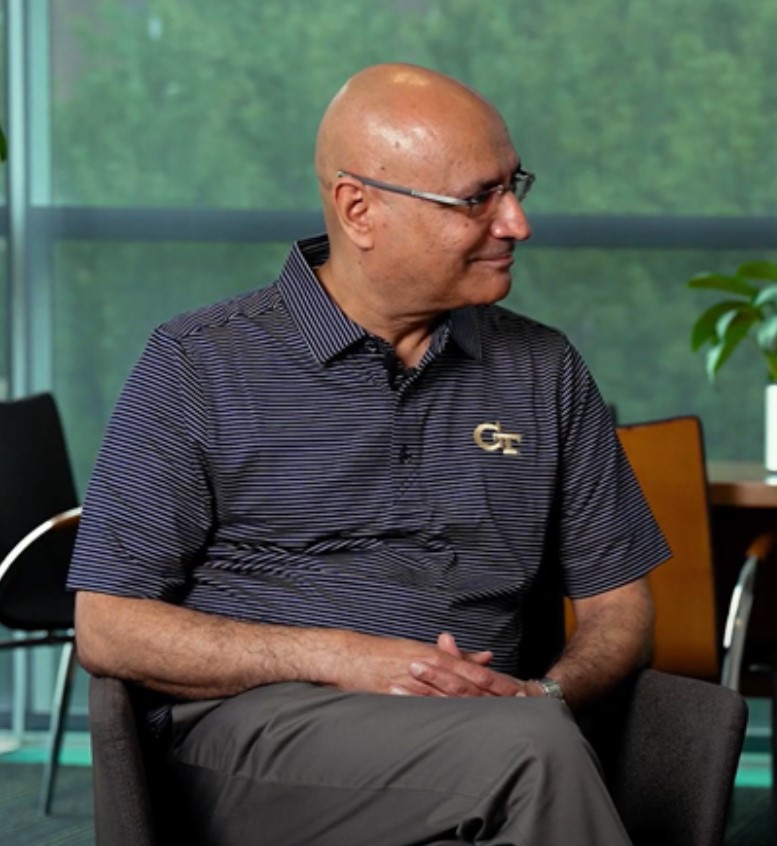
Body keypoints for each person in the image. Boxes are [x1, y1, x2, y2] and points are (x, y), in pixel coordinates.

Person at [69, 63, 669, 845]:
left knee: (527, 745)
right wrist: (345, 658)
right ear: (360, 209)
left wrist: (544, 695)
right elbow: (108, 626)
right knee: (530, 758)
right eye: (477, 199)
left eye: (513, 184)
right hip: (256, 740)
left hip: (492, 731)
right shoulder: (199, 362)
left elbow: (620, 609)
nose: (515, 222)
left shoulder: (541, 368)